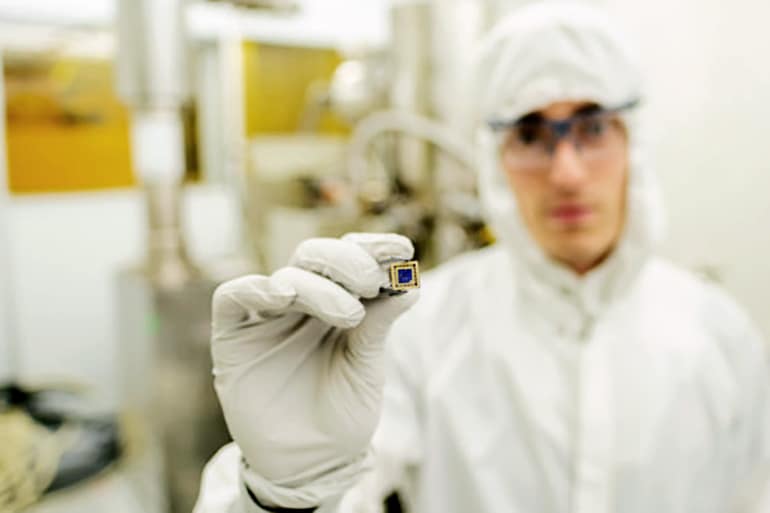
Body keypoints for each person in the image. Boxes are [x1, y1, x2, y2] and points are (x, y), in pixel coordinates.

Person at [193, 3, 770, 513]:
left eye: (592, 126)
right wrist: (285, 492)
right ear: (495, 159)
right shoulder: (418, 333)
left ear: (632, 144)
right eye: (530, 133)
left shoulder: (721, 335)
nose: (566, 172)